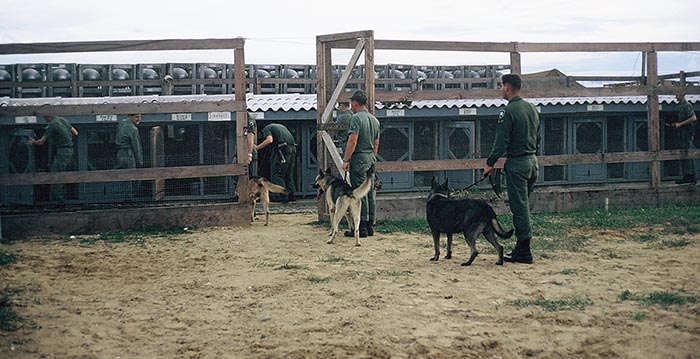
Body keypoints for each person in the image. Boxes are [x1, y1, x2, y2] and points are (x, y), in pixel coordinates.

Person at [483, 74, 540, 264]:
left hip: (517, 165)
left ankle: (524, 251)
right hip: (532, 162)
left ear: (507, 87)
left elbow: (500, 142)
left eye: (501, 86)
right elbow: (537, 137)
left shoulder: (508, 112)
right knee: (523, 205)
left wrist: (490, 163)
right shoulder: (531, 108)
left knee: (520, 208)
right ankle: (521, 247)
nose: (501, 89)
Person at [342, 90, 380, 238]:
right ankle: (370, 225)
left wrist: (346, 160)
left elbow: (353, 141)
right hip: (371, 157)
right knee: (369, 192)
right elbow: (376, 144)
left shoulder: (356, 119)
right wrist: (372, 158)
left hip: (359, 158)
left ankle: (361, 227)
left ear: (355, 103)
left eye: (352, 103)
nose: (351, 106)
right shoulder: (374, 120)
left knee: (359, 192)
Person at [27, 115, 78, 203]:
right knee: (60, 173)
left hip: (62, 151)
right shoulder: (62, 119)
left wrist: (33, 142)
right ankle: (60, 198)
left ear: (47, 117)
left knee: (55, 175)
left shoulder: (51, 125)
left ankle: (60, 201)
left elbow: (41, 142)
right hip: (69, 150)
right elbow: (75, 133)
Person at [256, 123, 296, 202]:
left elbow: (269, 140)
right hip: (292, 148)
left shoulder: (267, 129)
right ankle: (291, 195)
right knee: (288, 174)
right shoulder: (280, 126)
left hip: (283, 150)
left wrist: (257, 147)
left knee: (277, 174)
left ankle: (283, 196)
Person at [115, 114, 144, 198]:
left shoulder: (122, 123)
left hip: (120, 153)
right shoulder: (133, 129)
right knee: (132, 175)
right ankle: (129, 196)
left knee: (123, 174)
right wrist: (140, 161)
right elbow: (136, 146)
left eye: (139, 117)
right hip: (128, 153)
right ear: (130, 116)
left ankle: (125, 195)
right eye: (136, 117)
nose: (139, 119)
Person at [673, 92, 697, 184]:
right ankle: (687, 175)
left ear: (682, 95)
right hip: (683, 134)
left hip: (687, 133)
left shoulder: (687, 105)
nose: (675, 96)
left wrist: (680, 124)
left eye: (677, 94)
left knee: (688, 153)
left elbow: (693, 118)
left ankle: (691, 175)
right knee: (684, 153)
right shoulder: (682, 106)